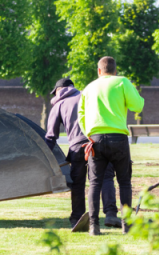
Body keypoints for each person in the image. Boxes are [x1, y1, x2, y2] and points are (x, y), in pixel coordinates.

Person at [78, 56, 145, 236]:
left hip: (95, 139)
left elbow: (81, 116)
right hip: (118, 138)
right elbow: (137, 106)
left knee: (94, 183)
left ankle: (94, 226)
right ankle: (127, 225)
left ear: (99, 71)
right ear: (115, 71)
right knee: (124, 182)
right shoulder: (122, 82)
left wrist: (89, 135)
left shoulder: (89, 87)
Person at [45, 78, 119, 229]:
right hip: (100, 141)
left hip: (77, 146)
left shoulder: (59, 104)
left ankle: (77, 217)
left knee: (78, 184)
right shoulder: (90, 96)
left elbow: (51, 136)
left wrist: (44, 155)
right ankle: (111, 214)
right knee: (105, 178)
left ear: (59, 90)